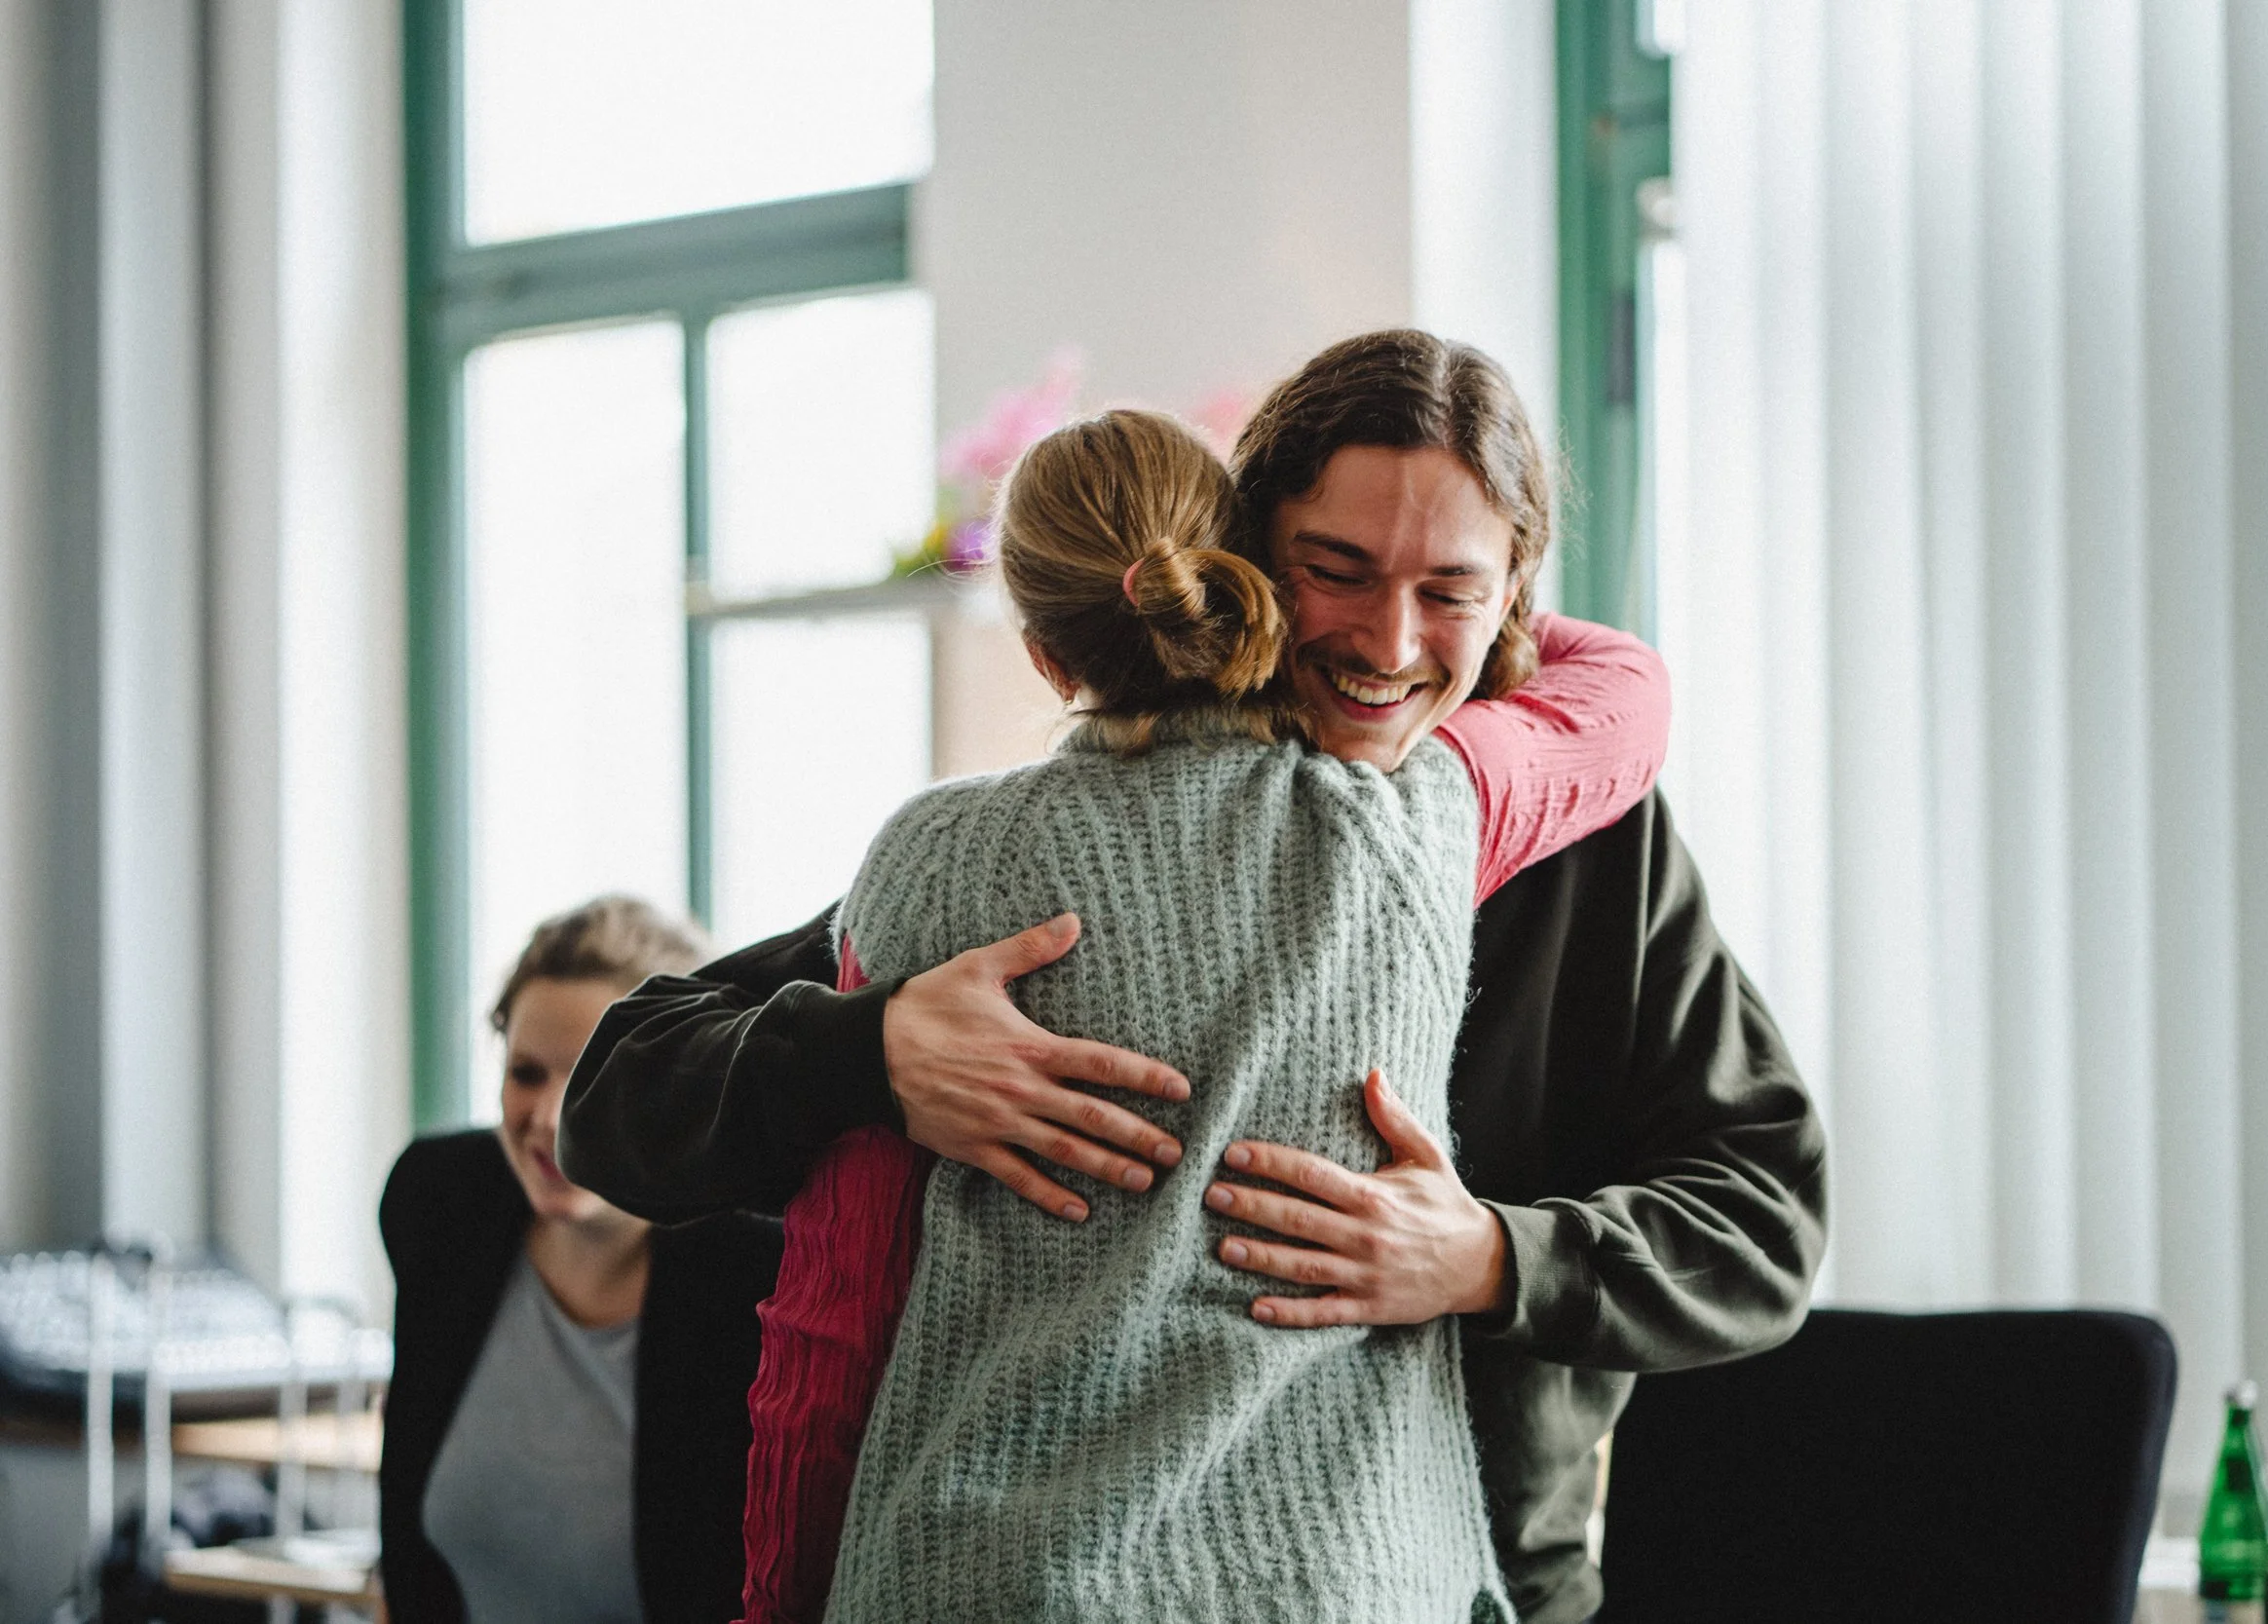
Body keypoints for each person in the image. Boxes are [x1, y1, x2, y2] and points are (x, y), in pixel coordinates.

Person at [561, 330, 1829, 1624]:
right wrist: (869, 1051)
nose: (1388, 642)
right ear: (1244, 551)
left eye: (1449, 590)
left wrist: (1500, 1254)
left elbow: (1766, 1221)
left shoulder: (1588, 851)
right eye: (1336, 571)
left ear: (1514, 596)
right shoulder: (1077, 846)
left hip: (1467, 1576)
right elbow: (620, 1092)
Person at [739, 406, 1670, 1621]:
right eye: (1339, 571)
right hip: (1352, 1580)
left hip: (983, 1572)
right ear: (1250, 587)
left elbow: (838, 1281)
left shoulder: (931, 859)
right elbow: (1623, 696)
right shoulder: (1414, 827)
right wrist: (1467, 595)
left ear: (1043, 652)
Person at [379, 897, 783, 1624]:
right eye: (527, 1073)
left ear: (685, 1084)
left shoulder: (754, 1269)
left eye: (599, 1074)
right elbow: (411, 1558)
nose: (554, 1116)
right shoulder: (442, 1209)